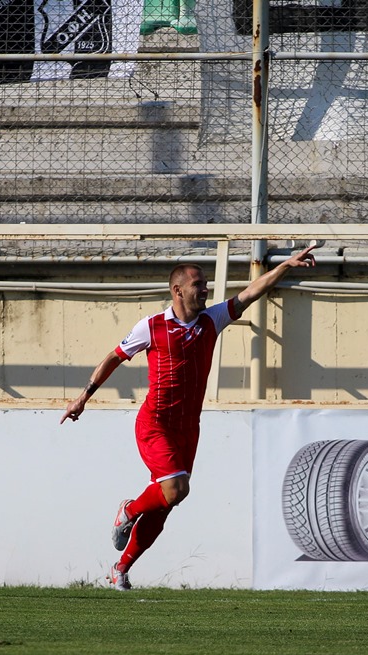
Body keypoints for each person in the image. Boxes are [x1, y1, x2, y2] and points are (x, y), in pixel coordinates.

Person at [61, 244, 319, 590]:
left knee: (167, 503)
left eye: (206, 283)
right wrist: (83, 397)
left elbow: (250, 293)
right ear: (178, 290)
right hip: (155, 423)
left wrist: (286, 265)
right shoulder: (150, 327)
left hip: (188, 429)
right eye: (199, 284)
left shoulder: (211, 320)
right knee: (176, 488)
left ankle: (120, 569)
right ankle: (130, 509)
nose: (206, 289)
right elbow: (113, 357)